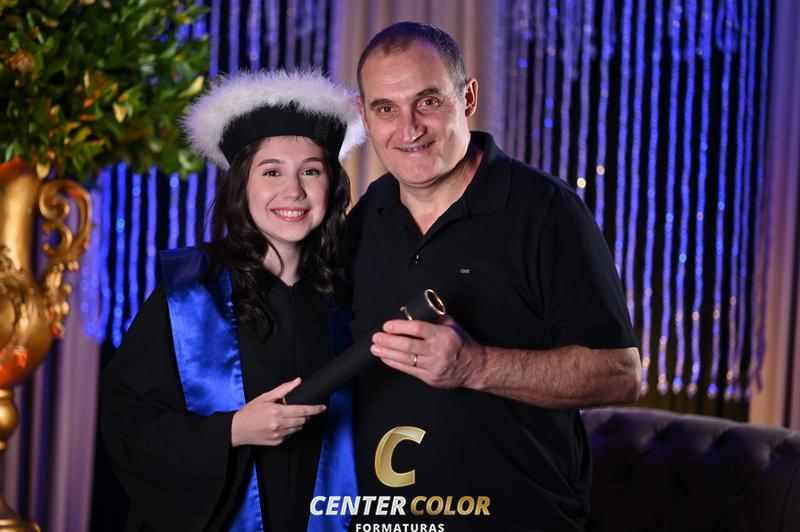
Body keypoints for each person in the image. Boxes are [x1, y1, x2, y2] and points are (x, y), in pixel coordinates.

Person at [348, 22, 642, 531]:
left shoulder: (546, 211)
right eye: (386, 109)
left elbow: (620, 374)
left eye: (428, 102)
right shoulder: (367, 213)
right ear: (364, 116)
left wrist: (474, 365)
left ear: (468, 98)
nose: (409, 128)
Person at [101, 70, 365, 532]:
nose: (294, 191)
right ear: (242, 184)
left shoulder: (351, 298)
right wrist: (233, 431)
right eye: (272, 172)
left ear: (332, 185)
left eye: (310, 171)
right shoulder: (189, 294)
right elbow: (128, 426)